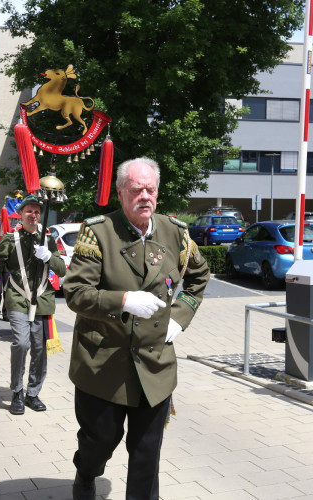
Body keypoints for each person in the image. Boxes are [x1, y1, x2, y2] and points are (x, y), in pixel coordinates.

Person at [62, 158, 210, 500]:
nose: (144, 196)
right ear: (120, 192)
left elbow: (200, 276)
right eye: (136, 190)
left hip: (154, 364)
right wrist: (123, 300)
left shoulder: (176, 232)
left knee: (146, 454)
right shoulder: (97, 232)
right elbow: (75, 293)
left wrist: (180, 316)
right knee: (98, 442)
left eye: (150, 189)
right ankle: (86, 472)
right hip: (104, 364)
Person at [0, 195, 66, 415]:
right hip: (18, 298)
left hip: (42, 300)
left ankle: (33, 393)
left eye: (37, 212)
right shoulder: (10, 239)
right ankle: (17, 391)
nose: (34, 215)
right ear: (21, 214)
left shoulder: (48, 239)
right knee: (21, 344)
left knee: (40, 350)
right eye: (29, 211)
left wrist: (49, 256)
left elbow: (62, 270)